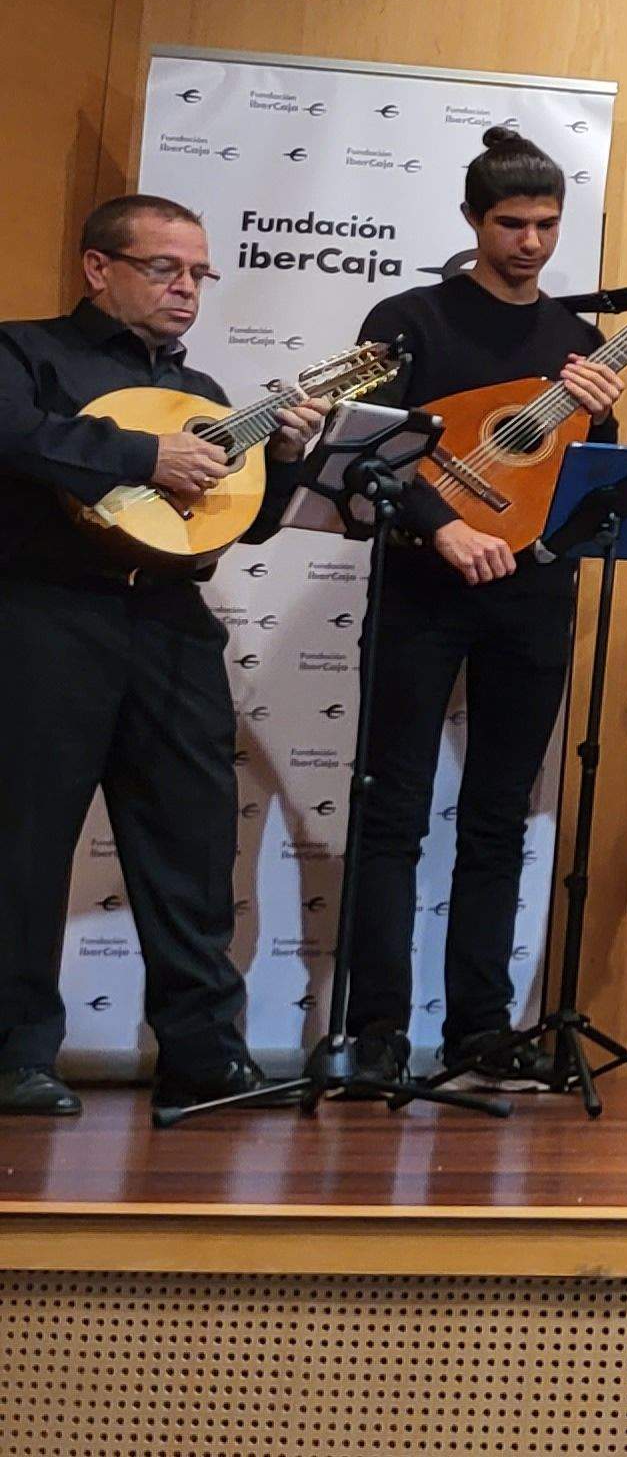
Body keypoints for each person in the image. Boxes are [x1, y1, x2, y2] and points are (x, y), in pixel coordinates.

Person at [0, 196, 324, 1118]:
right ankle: (14, 1054)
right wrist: (144, 455)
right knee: (23, 847)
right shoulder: (20, 352)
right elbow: (15, 434)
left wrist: (290, 458)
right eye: (165, 270)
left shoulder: (208, 397)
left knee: (191, 842)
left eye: (199, 276)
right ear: (99, 268)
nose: (187, 290)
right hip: (43, 620)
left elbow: (241, 522)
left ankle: (203, 1054)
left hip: (172, 628)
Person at [337, 127, 626, 1092]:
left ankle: (479, 1033)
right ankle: (375, 1031)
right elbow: (367, 450)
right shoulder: (411, 318)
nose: (532, 243)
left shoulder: (578, 341)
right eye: (512, 224)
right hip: (422, 589)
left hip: (533, 597)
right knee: (393, 811)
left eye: (547, 225)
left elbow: (580, 481)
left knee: (499, 817)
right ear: (472, 221)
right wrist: (437, 527)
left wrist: (602, 409)